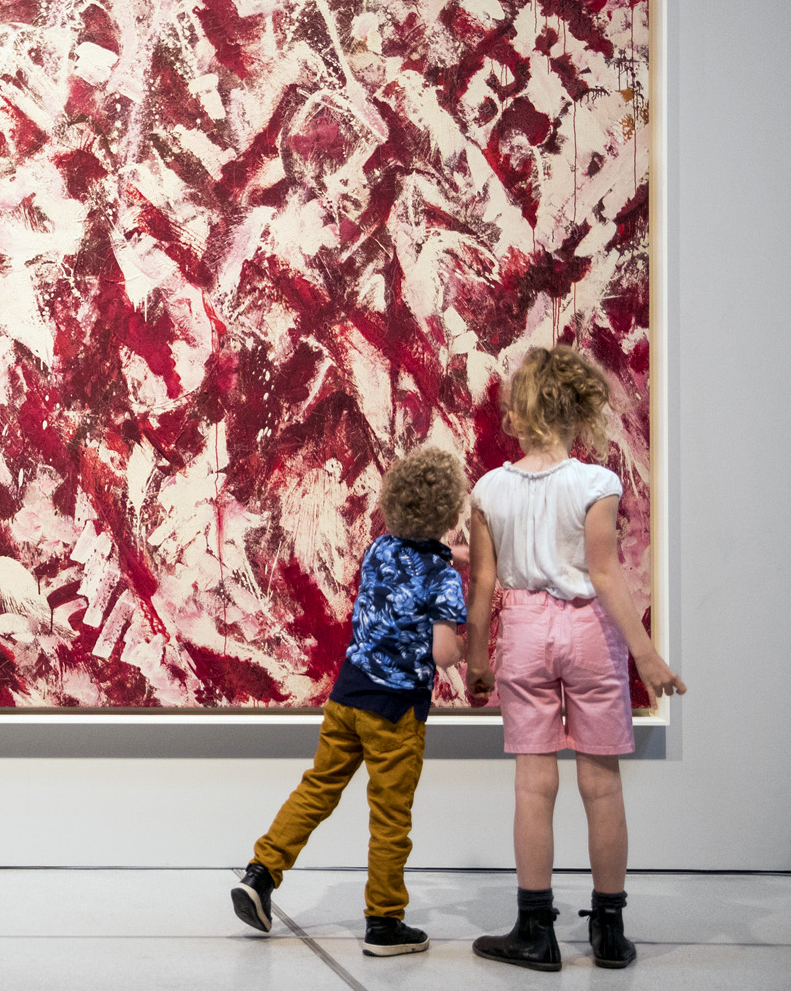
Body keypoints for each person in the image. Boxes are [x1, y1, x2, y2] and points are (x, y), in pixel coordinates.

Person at [466, 346, 687, 972]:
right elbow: (605, 573)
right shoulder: (596, 484)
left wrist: (477, 658)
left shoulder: (489, 490)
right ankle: (609, 930)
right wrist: (647, 657)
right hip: (590, 631)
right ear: (576, 411)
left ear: (519, 413)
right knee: (602, 784)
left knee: (533, 785)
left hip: (524, 633)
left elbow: (482, 583)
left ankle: (535, 930)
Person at [232, 446, 468, 957]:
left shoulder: (380, 548)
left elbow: (412, 568)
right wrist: (469, 643)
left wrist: (452, 557)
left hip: (348, 696)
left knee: (317, 788)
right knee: (390, 817)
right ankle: (384, 922)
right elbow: (444, 652)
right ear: (451, 513)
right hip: (396, 711)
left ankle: (261, 873)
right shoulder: (443, 579)